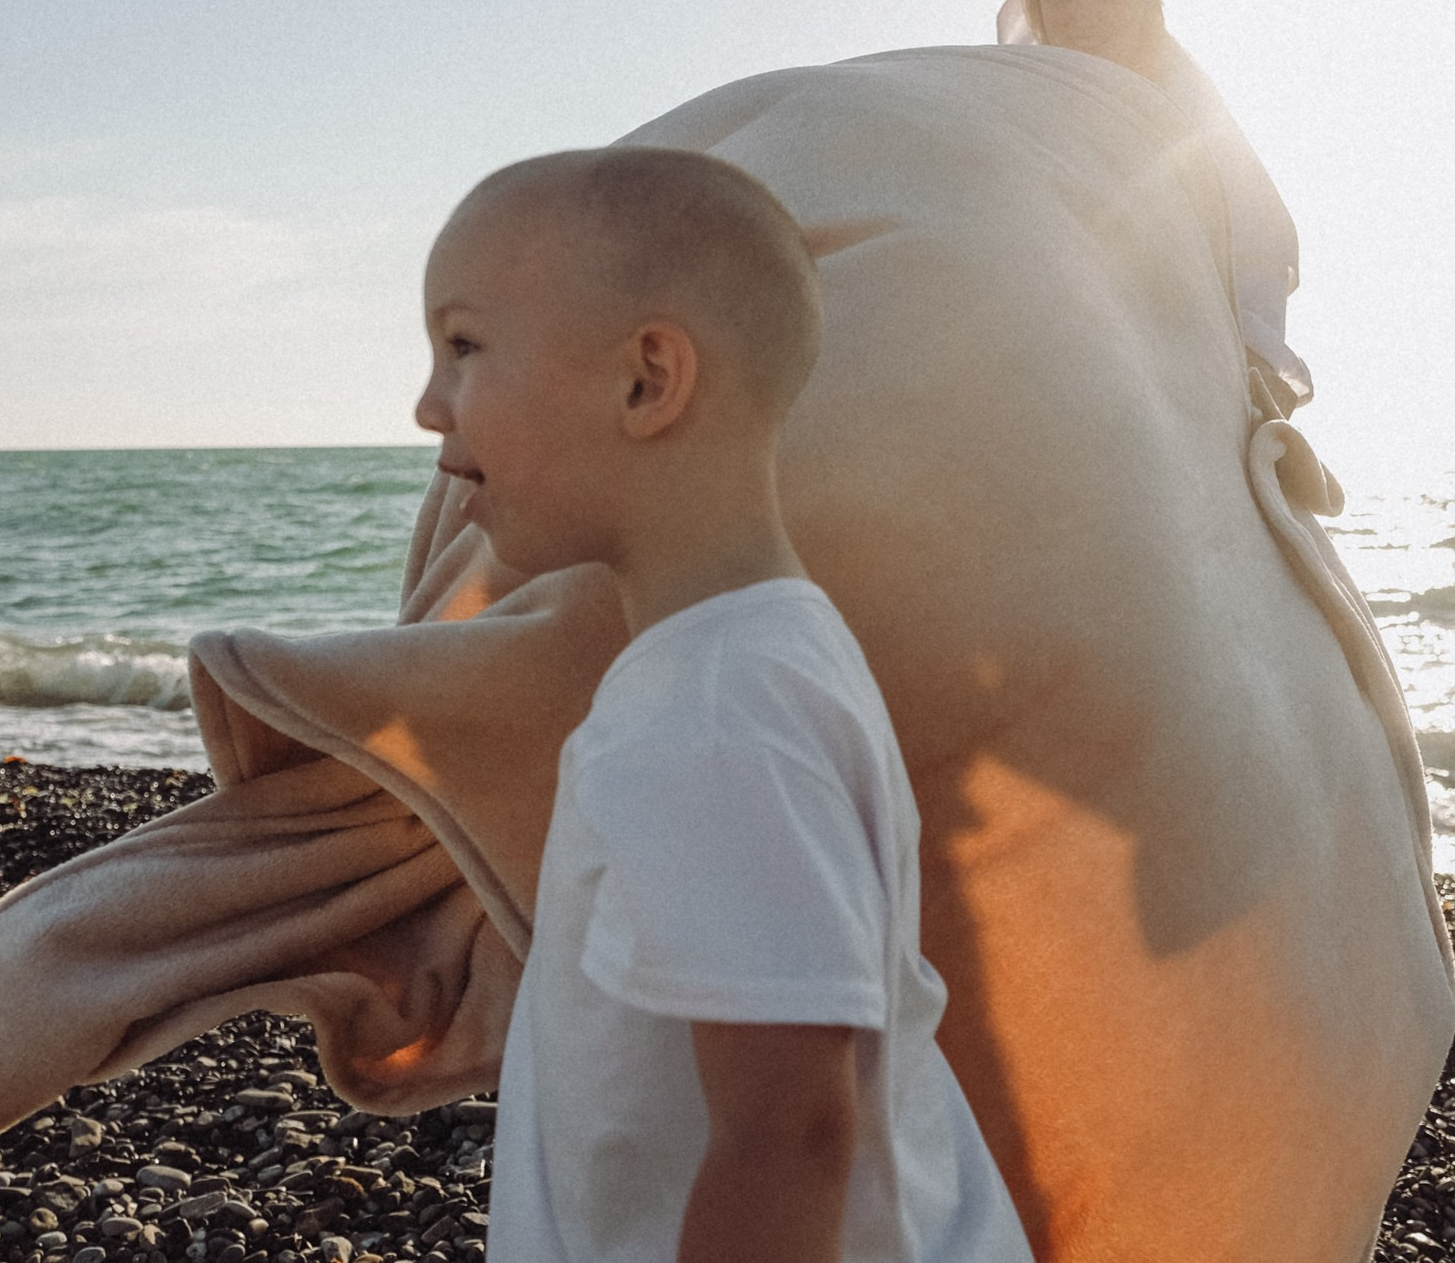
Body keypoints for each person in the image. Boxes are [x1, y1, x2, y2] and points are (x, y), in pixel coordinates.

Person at [412, 146, 1033, 1263]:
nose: (426, 404)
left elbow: (788, 1133)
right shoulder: (755, 654)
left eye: (463, 346)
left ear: (648, 378)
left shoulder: (715, 709)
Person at [979, 0, 1316, 413]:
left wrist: (1250, 369)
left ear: (1144, 3)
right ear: (1038, 8)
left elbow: (1254, 248)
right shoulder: (1006, 127)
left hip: (1181, 391)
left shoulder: (1195, 128)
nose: (1082, 13)